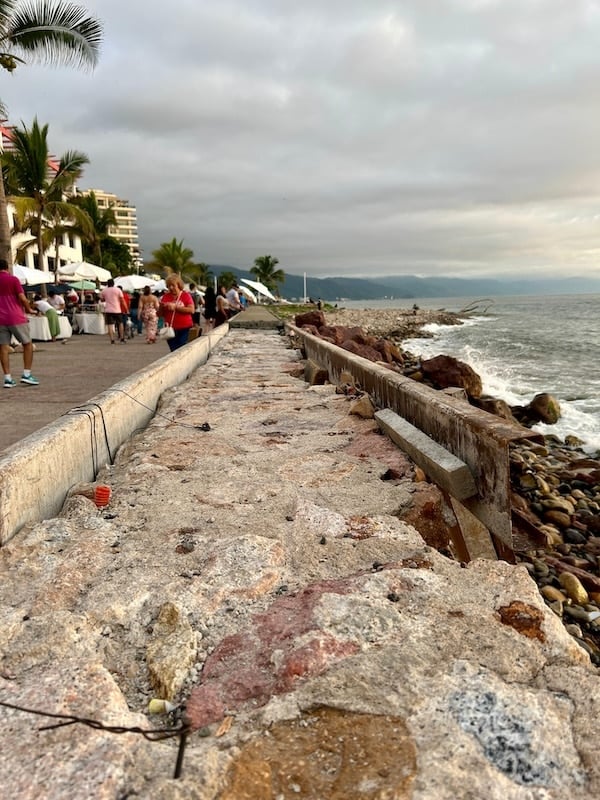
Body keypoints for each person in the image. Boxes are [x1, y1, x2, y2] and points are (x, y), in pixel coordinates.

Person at [0, 259, 40, 387]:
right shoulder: (13, 280)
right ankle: (27, 374)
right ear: (7, 268)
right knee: (27, 344)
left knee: (3, 347)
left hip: (0, 319)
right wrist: (29, 309)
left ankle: (7, 378)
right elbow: (22, 298)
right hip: (15, 317)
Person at [158, 274, 194, 351]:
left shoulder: (185, 295)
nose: (171, 288)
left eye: (173, 285)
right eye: (169, 286)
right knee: (173, 350)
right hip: (170, 329)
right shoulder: (165, 297)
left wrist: (176, 307)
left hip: (185, 328)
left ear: (178, 285)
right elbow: (159, 314)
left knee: (182, 348)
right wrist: (161, 306)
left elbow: (191, 310)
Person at [100, 278, 126, 344]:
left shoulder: (104, 290)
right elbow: (122, 300)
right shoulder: (118, 290)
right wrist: (126, 309)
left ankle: (112, 340)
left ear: (107, 284)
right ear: (113, 283)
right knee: (120, 324)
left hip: (108, 310)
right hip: (117, 310)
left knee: (110, 325)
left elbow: (102, 299)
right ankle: (122, 338)